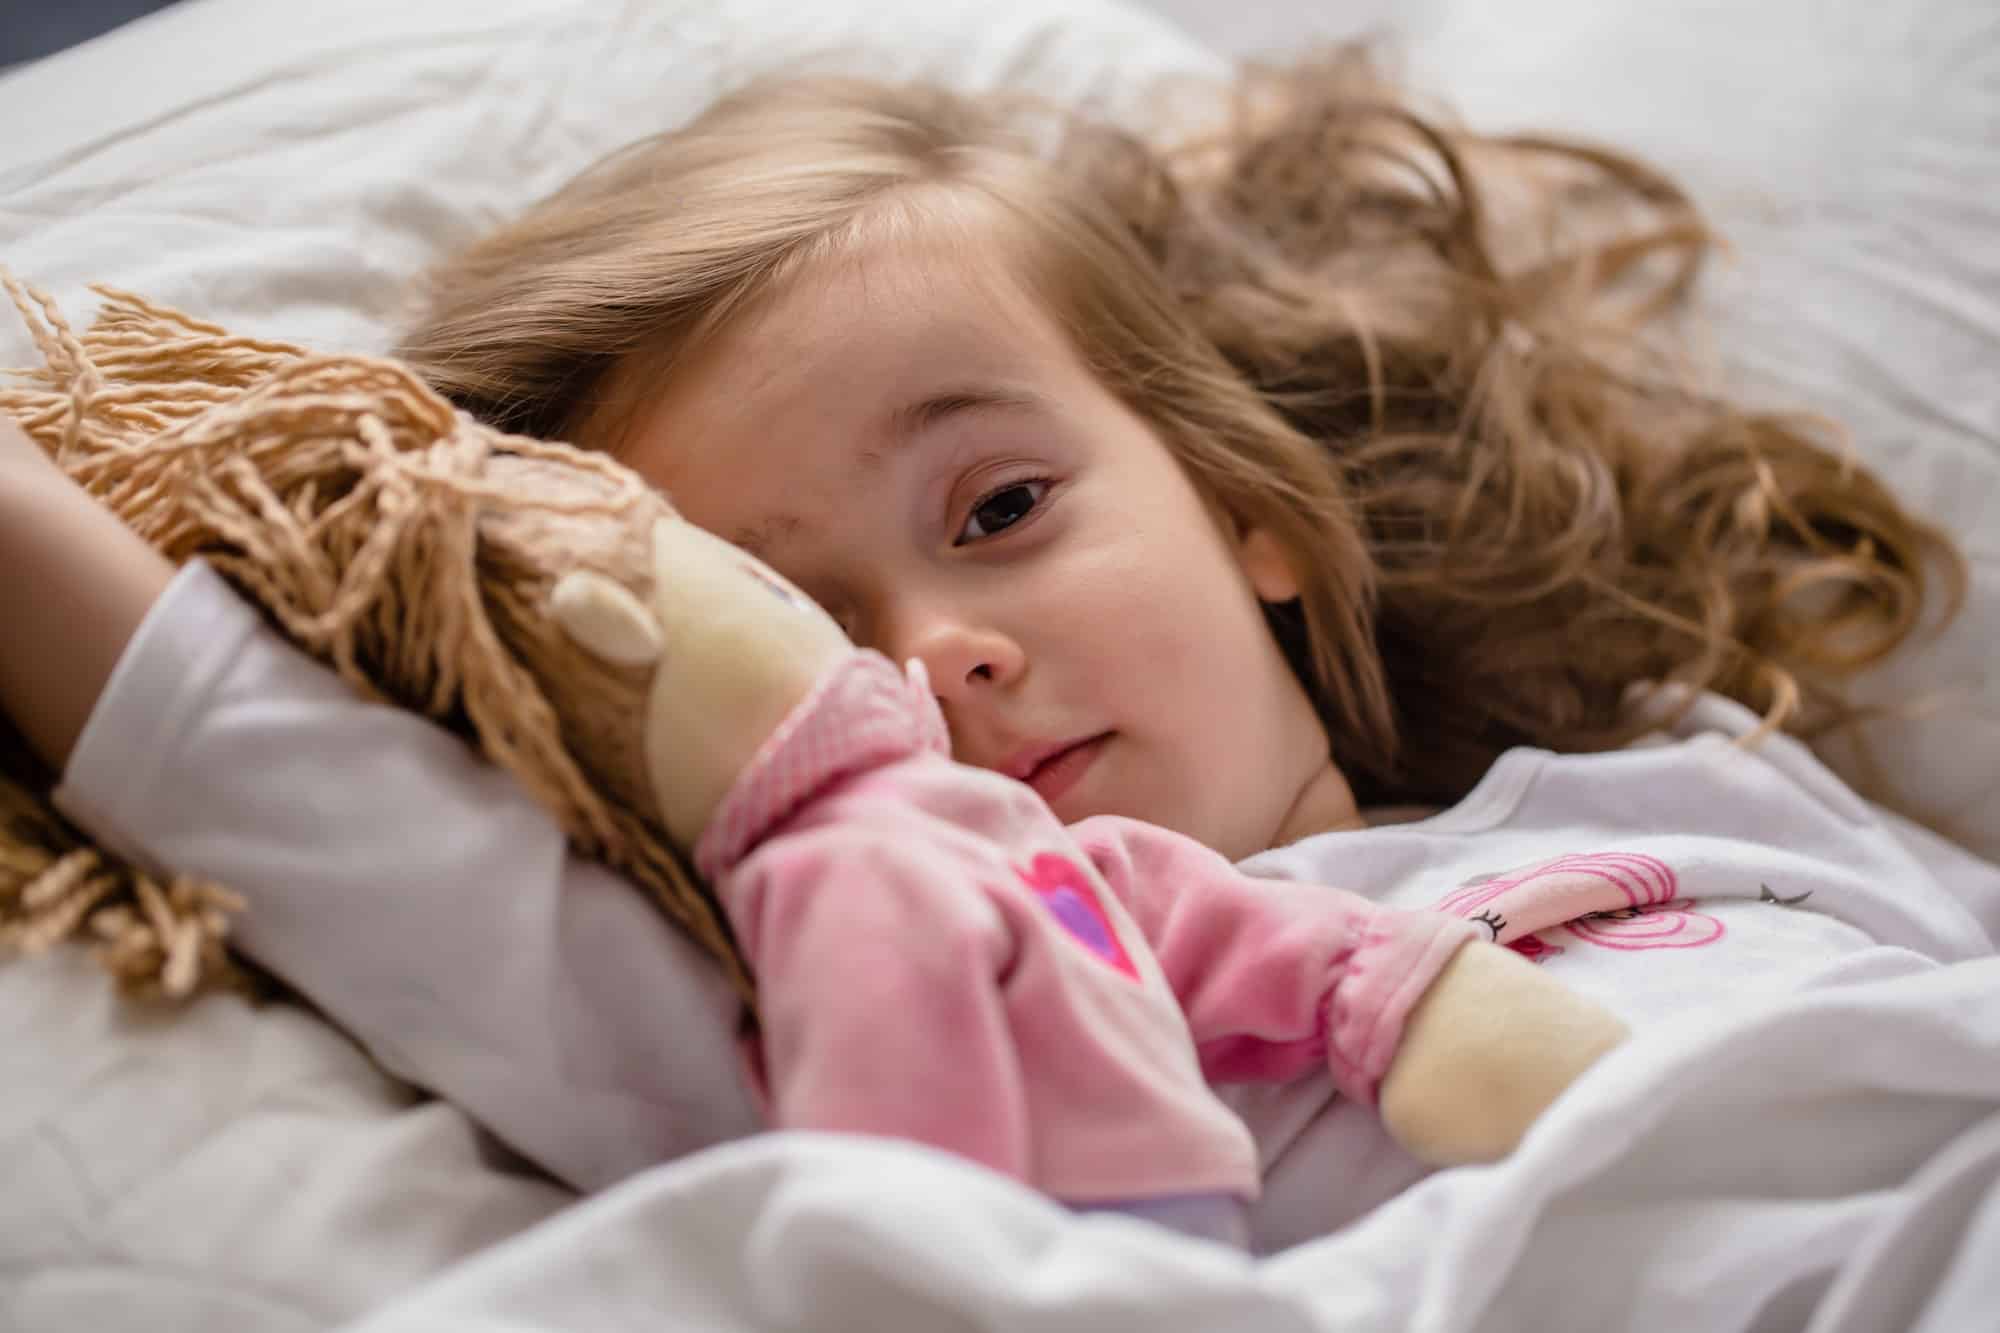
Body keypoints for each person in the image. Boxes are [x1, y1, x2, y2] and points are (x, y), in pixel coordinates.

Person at [1, 49, 1994, 1251]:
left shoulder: (1687, 770)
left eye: (997, 511)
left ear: (1251, 510)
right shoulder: (883, 998)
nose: (936, 656)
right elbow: (326, 821)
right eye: (798, 621)